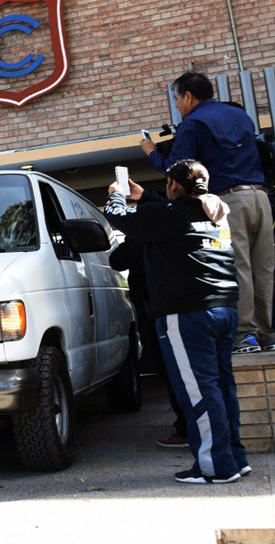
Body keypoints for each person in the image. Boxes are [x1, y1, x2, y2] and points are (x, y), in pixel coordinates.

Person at [104, 160, 248, 484]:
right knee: (222, 387)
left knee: (198, 392)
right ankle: (234, 458)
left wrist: (116, 195)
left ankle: (215, 467)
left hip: (187, 314)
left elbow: (120, 218)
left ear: (175, 186)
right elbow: (170, 216)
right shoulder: (216, 211)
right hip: (224, 308)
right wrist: (146, 197)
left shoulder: (170, 216)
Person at [141, 72, 275, 354]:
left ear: (188, 96)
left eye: (177, 99)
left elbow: (176, 168)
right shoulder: (241, 116)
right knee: (262, 268)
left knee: (236, 266)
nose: (177, 105)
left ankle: (244, 336)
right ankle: (267, 335)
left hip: (228, 201)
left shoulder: (192, 124)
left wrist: (151, 152)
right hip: (259, 197)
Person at [108, 237, 188, 448]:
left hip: (156, 310)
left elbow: (117, 259)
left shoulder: (147, 231)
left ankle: (187, 429)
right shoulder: (171, 229)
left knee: (172, 371)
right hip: (174, 307)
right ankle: (192, 427)